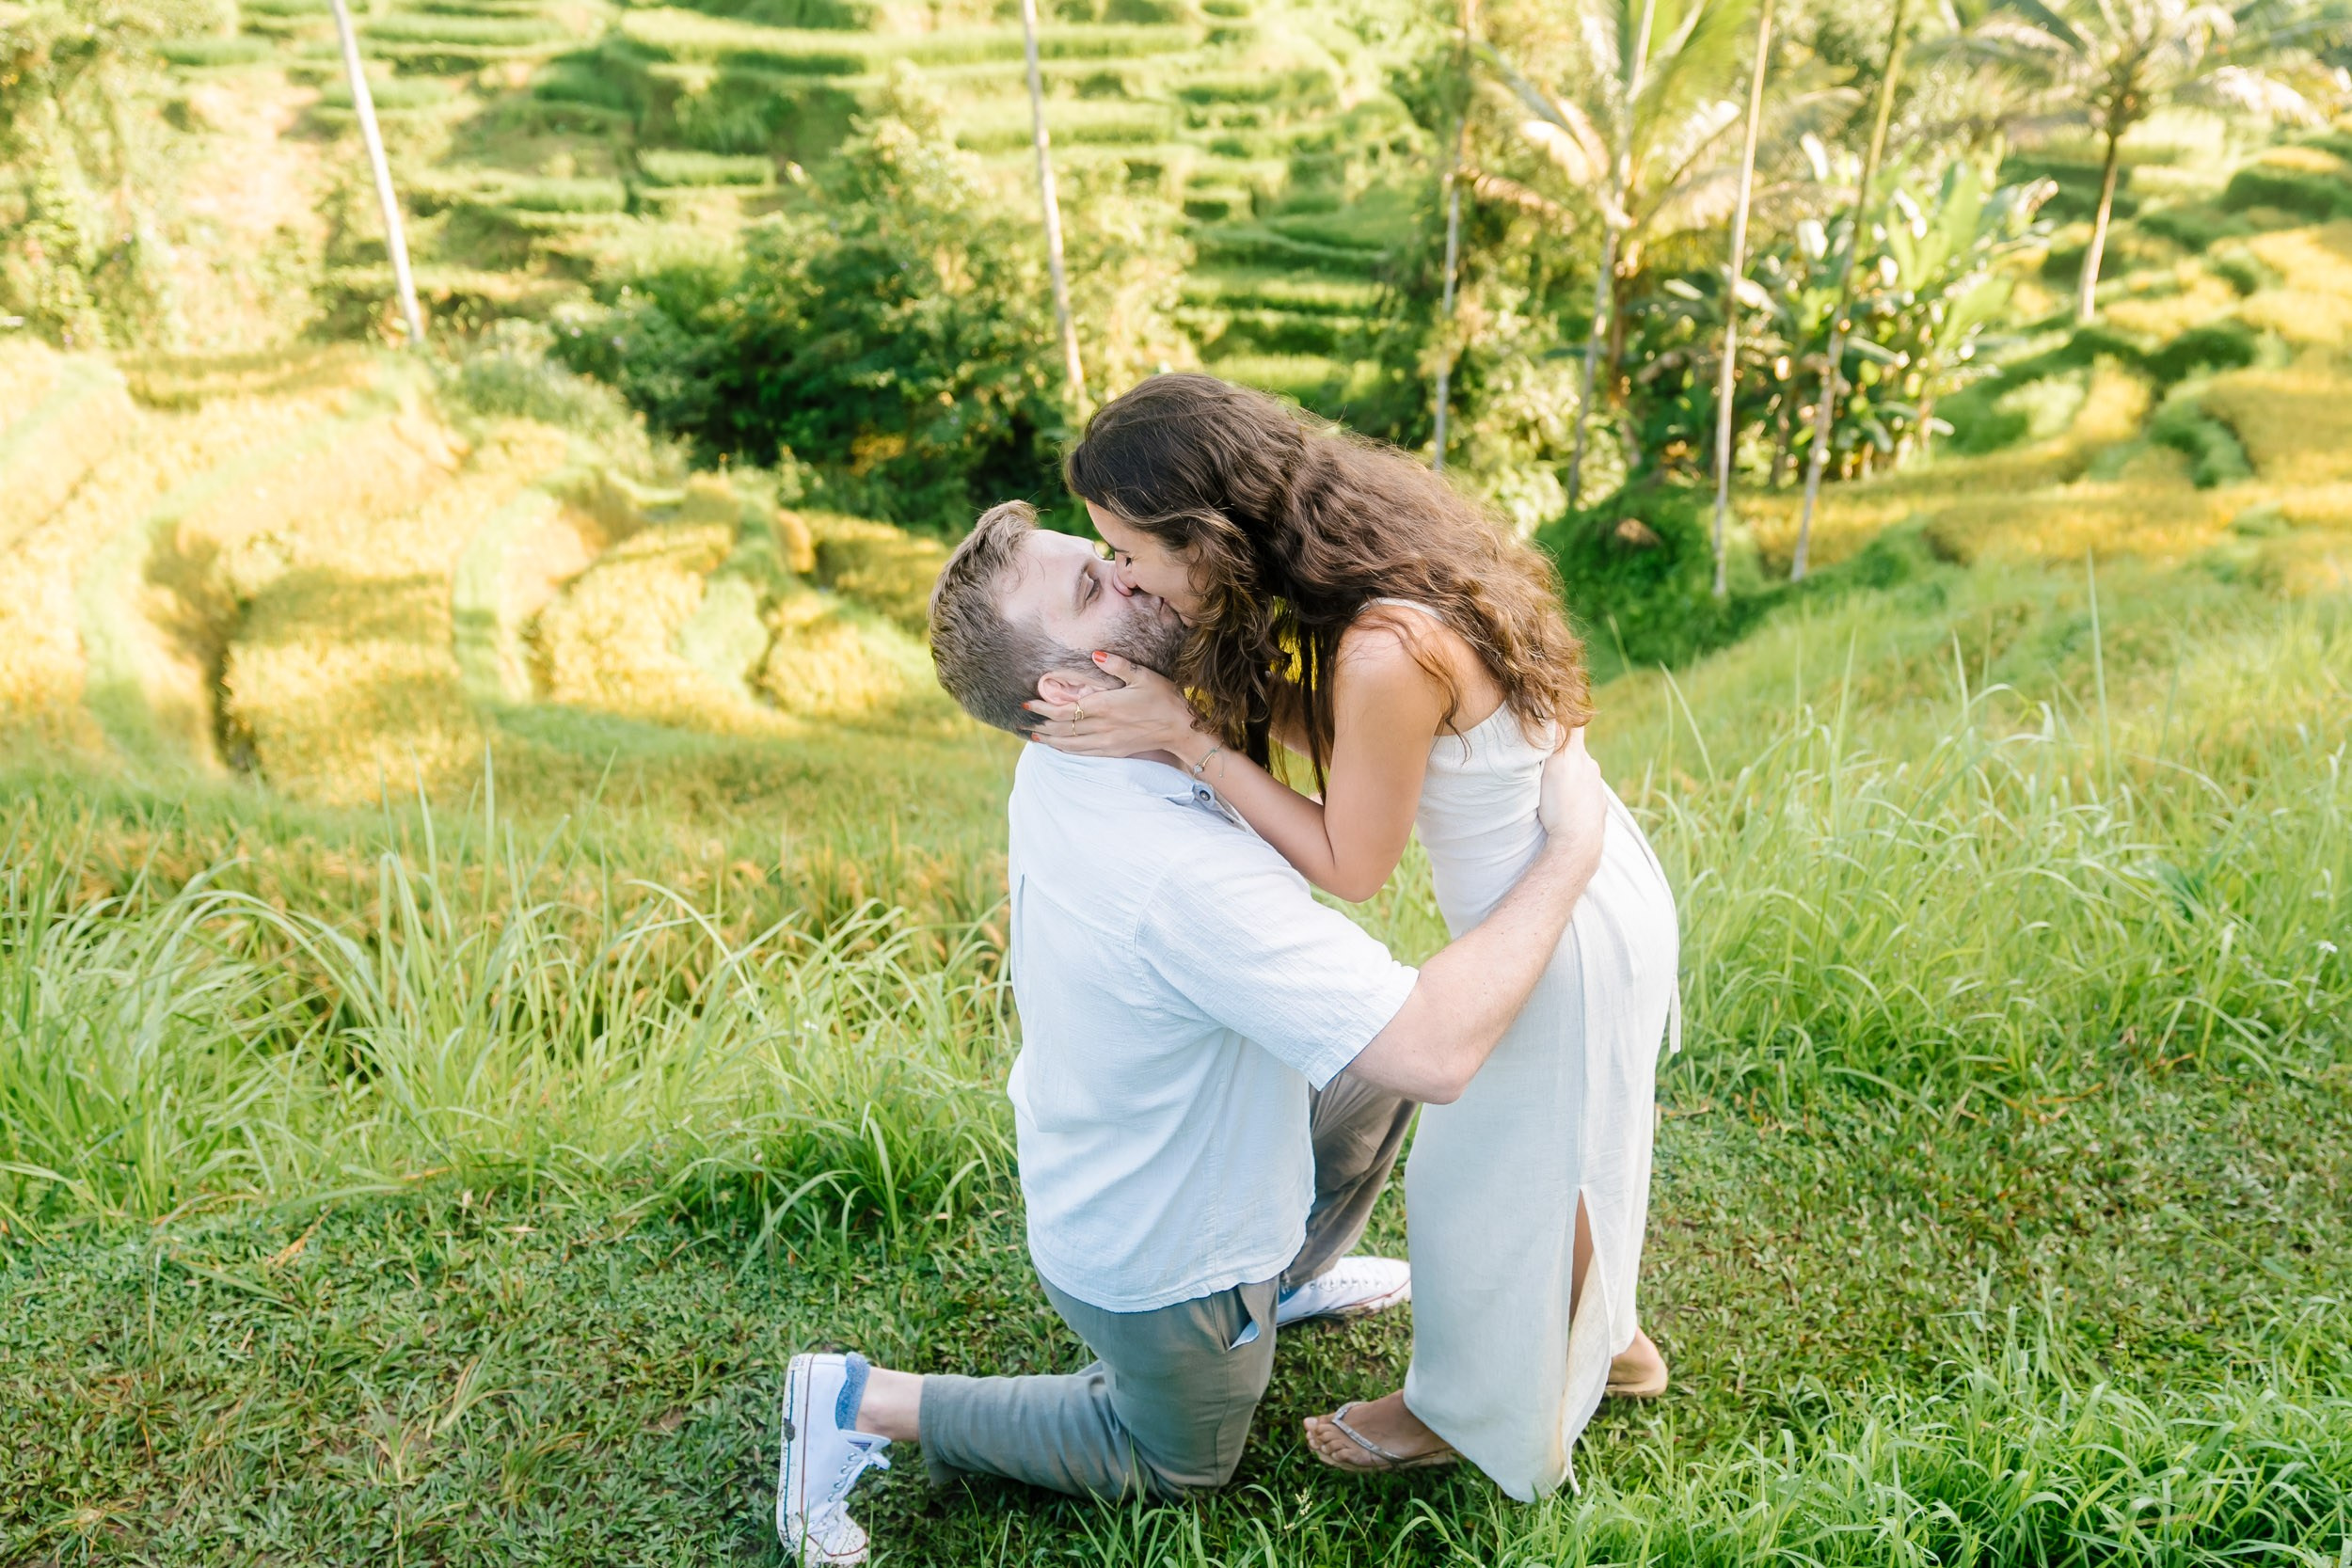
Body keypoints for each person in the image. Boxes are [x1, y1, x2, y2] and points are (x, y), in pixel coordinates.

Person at [772, 500, 1614, 1566]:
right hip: (1163, 1263)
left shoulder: (1088, 748)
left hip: (1148, 1140)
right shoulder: (1164, 869)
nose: (1133, 574)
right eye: (1095, 588)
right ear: (1063, 693)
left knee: (1372, 1032)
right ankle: (855, 1400)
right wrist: (1567, 855)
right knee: (1176, 1459)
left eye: (1108, 557)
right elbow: (1433, 1052)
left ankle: (1289, 1273)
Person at [1025, 373, 1679, 1499]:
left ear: (1207, 534)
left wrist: (1192, 743)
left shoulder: (1381, 644)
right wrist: (1192, 685)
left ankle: (1457, 1412)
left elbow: (1350, 865)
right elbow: (1359, 739)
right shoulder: (1367, 551)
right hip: (1589, 878)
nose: (1124, 576)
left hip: (1557, 919)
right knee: (1570, 1151)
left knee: (1488, 1183)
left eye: (1129, 552)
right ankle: (1610, 1344)